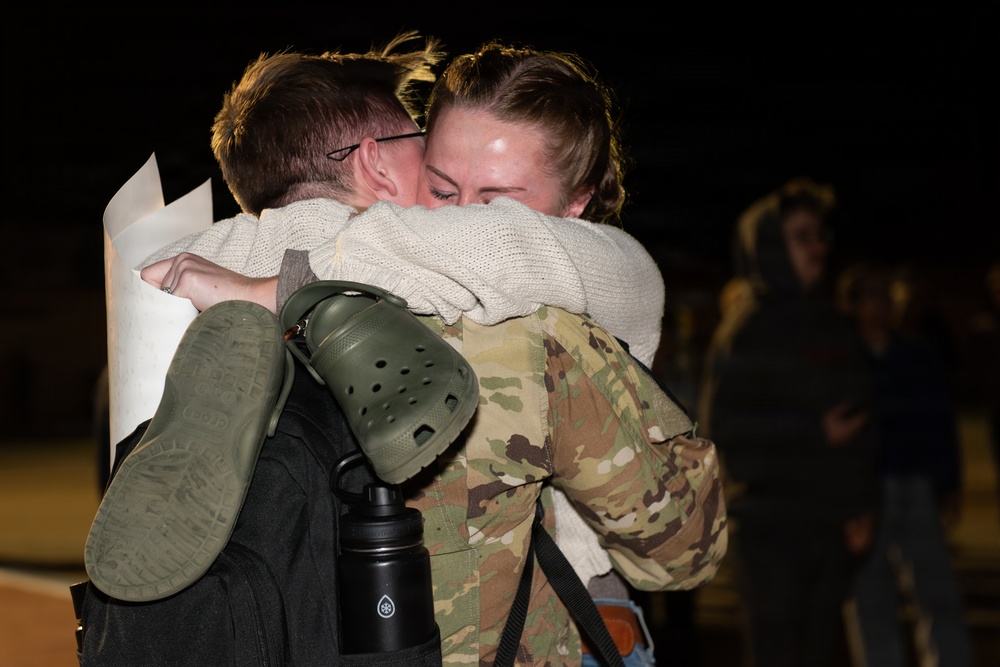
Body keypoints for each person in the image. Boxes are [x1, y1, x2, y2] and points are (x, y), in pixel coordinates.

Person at [88, 37, 727, 665]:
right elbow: (683, 553)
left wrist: (277, 282)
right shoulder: (536, 334)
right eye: (441, 188)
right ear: (375, 162)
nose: (455, 223)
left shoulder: (189, 288)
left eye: (494, 206)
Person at [698, 177, 878, 667]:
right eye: (802, 236)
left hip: (828, 523)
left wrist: (862, 504)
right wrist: (814, 433)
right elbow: (727, 434)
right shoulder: (749, 327)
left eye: (821, 235)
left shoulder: (829, 321)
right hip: (769, 531)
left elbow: (862, 416)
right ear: (772, 243)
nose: (818, 247)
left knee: (819, 650)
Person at [837, 260, 973, 667]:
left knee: (937, 592)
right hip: (866, 489)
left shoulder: (916, 354)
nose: (884, 304)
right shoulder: (842, 360)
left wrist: (949, 482)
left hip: (914, 483)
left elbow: (941, 421)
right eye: (873, 295)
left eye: (887, 294)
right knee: (871, 596)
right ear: (854, 303)